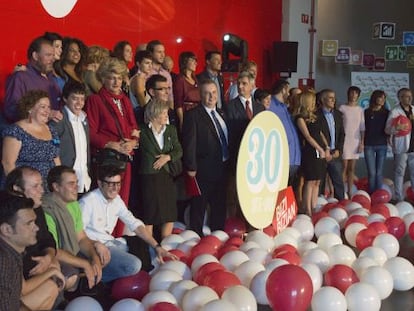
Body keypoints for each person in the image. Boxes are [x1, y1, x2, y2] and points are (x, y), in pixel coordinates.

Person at [80, 165, 177, 281]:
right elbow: (77, 236)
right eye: (111, 184)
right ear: (100, 183)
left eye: (118, 183)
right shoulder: (87, 202)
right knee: (133, 265)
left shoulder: (117, 200)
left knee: (151, 250)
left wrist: (157, 246)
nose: (115, 188)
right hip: (94, 248)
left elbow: (134, 224)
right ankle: (90, 278)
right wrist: (95, 244)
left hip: (111, 243)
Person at [5, 167, 77, 309]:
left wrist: (49, 258)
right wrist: (51, 269)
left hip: (35, 268)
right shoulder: (9, 218)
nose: (42, 190)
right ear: (17, 189)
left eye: (41, 185)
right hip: (17, 286)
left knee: (58, 278)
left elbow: (47, 238)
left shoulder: (34, 206)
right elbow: (21, 287)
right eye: (35, 186)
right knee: (51, 284)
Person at [86, 57, 139, 236]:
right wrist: (111, 145)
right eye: (111, 77)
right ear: (103, 79)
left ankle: (116, 239)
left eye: (119, 77)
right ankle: (103, 240)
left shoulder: (124, 99)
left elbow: (134, 128)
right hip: (108, 159)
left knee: (121, 201)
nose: (116, 81)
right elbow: (91, 133)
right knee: (105, 202)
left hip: (125, 158)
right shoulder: (95, 100)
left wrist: (133, 142)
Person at [42, 166, 110, 289]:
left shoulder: (73, 204)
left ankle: (87, 283)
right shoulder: (47, 210)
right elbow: (53, 250)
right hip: (55, 257)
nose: (76, 187)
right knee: (70, 278)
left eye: (77, 183)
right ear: (56, 187)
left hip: (73, 252)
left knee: (103, 257)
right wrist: (84, 263)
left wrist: (93, 257)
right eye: (71, 184)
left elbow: (81, 238)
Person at [182, 79, 230, 236]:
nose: (212, 96)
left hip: (223, 169)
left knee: (219, 207)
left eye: (214, 92)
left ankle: (218, 237)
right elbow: (189, 143)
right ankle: (195, 239)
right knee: (199, 209)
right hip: (202, 172)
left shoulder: (223, 113)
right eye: (207, 93)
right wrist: (191, 168)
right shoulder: (193, 115)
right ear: (200, 95)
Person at [0, 191, 61, 311]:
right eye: (29, 223)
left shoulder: (13, 254)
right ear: (6, 230)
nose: (37, 228)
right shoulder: (3, 263)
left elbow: (15, 303)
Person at [139, 99, 182, 238]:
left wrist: (167, 157)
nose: (166, 116)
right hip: (149, 177)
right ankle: (150, 247)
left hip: (167, 175)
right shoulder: (142, 131)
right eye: (163, 113)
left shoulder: (171, 130)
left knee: (169, 213)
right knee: (150, 214)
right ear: (154, 114)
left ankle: (166, 244)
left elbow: (178, 150)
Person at [225, 71, 265, 217]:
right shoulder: (229, 107)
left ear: (252, 85)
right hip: (237, 157)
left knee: (251, 195)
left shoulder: (260, 108)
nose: (240, 87)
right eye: (239, 83)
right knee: (234, 194)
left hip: (256, 160)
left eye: (244, 84)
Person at [2, 90, 61, 184]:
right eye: (43, 107)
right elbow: (7, 163)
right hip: (24, 189)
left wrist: (59, 182)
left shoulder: (52, 131)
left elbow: (56, 159)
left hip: (48, 188)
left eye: (49, 107)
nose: (47, 111)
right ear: (29, 109)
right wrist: (20, 188)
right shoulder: (15, 131)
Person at [4, 35, 62, 123]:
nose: (53, 59)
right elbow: (11, 111)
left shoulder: (52, 79)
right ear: (35, 56)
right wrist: (46, 113)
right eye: (48, 55)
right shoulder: (20, 77)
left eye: (53, 55)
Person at [50, 81, 91, 195]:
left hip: (84, 180)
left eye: (82, 99)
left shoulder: (84, 119)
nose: (79, 103)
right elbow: (52, 149)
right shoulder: (58, 120)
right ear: (65, 98)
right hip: (65, 181)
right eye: (75, 98)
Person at [295, 91, 327, 215]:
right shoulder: (300, 118)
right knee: (310, 180)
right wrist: (319, 148)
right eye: (312, 100)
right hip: (310, 152)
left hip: (320, 151)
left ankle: (314, 207)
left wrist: (326, 147)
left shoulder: (315, 116)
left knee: (317, 180)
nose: (314, 103)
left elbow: (320, 133)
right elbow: (307, 136)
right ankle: (307, 209)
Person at [268, 79, 301, 186]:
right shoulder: (270, 105)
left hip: (294, 159)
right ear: (283, 90)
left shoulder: (286, 107)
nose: (289, 94)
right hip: (281, 160)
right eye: (288, 91)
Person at [385, 88, 414, 202]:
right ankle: (399, 198)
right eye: (406, 96)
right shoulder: (395, 112)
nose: (409, 98)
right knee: (399, 172)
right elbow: (387, 130)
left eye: (410, 96)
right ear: (400, 98)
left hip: (413, 147)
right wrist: (396, 128)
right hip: (402, 147)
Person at [316, 89, 345, 201]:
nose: (333, 100)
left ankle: (341, 204)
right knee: (320, 182)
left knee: (338, 180)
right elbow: (317, 134)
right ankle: (319, 203)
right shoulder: (316, 115)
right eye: (330, 98)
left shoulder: (338, 114)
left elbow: (342, 133)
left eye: (334, 97)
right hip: (322, 153)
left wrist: (339, 150)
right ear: (323, 100)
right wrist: (324, 150)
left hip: (335, 152)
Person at [339, 86, 365, 198]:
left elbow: (362, 127)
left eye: (356, 93)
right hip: (344, 140)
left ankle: (349, 191)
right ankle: (340, 191)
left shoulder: (360, 110)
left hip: (355, 141)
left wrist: (362, 142)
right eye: (352, 93)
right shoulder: (342, 108)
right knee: (343, 166)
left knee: (352, 168)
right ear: (348, 94)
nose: (353, 95)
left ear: (358, 96)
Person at [364, 90, 389, 194]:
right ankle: (371, 194)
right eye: (381, 97)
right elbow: (362, 128)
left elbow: (389, 128)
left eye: (384, 98)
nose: (382, 100)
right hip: (369, 145)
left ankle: (377, 194)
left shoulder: (387, 113)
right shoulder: (367, 112)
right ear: (375, 98)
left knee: (379, 172)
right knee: (372, 172)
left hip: (382, 144)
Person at [173, 51, 201, 131]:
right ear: (185, 62)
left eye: (196, 61)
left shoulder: (195, 79)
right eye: (192, 61)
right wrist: (182, 120)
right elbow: (178, 103)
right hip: (187, 113)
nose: (195, 63)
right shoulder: (180, 79)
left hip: (198, 112)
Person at [147, 40, 174, 109]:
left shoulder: (167, 74)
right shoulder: (146, 72)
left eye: (163, 52)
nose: (163, 55)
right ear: (151, 53)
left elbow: (170, 97)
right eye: (159, 52)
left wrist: (171, 114)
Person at [129, 50, 153, 123]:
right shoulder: (138, 78)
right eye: (147, 63)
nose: (150, 66)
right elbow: (141, 101)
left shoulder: (142, 78)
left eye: (151, 63)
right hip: (140, 115)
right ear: (138, 64)